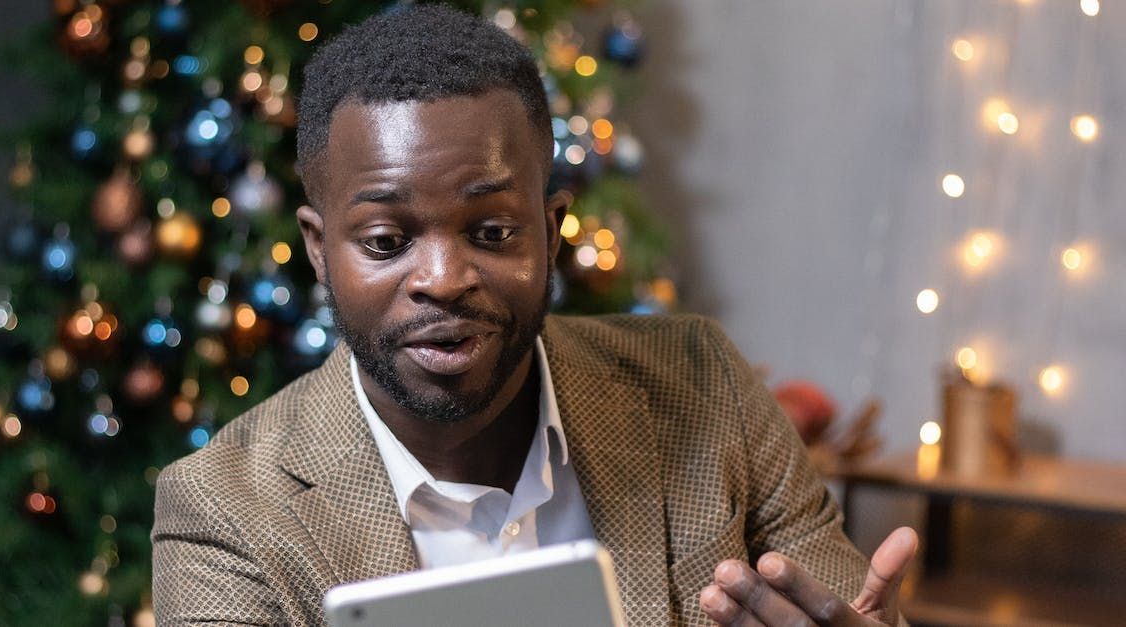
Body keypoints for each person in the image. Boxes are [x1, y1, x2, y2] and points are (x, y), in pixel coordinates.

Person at [151, 6, 917, 625]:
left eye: (491, 232)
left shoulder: (704, 384)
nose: (444, 281)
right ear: (320, 251)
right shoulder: (223, 513)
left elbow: (846, 608)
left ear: (550, 232)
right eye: (387, 241)